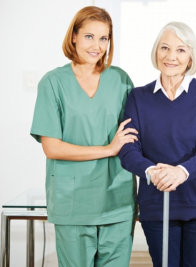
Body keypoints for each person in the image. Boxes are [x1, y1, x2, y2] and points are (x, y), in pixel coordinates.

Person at [30, 6, 137, 267]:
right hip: (73, 203)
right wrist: (108, 149)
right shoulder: (53, 83)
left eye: (104, 38)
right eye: (89, 36)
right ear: (74, 36)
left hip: (117, 200)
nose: (97, 45)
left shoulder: (121, 80)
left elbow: (136, 135)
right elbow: (52, 147)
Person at [119, 21, 196, 267]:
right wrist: (151, 171)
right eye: (164, 48)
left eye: (180, 50)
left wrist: (181, 172)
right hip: (157, 203)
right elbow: (127, 149)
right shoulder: (138, 97)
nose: (171, 57)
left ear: (190, 57)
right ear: (156, 52)